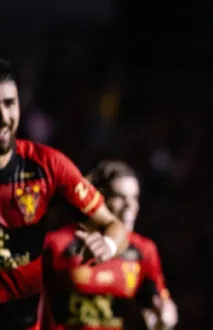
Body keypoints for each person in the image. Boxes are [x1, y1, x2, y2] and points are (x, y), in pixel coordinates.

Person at [0, 60, 128, 330]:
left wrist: (108, 245)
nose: (3, 116)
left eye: (9, 103)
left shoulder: (48, 166)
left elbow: (114, 226)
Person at [40, 160, 177, 330]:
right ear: (97, 199)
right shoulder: (56, 245)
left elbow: (160, 300)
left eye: (135, 198)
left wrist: (165, 316)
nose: (130, 206)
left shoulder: (144, 250)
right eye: (120, 197)